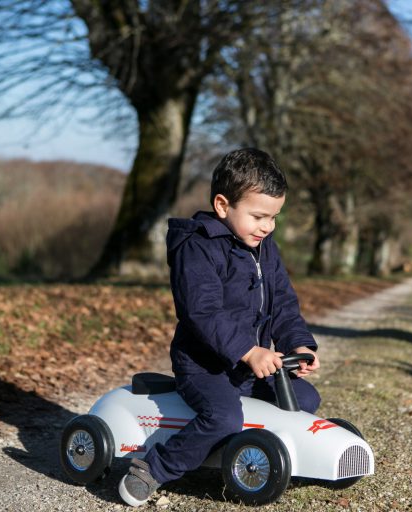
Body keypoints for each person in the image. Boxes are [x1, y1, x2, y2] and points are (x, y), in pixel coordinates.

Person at [119, 148, 321, 507]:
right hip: (204, 366)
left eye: (274, 217)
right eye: (259, 216)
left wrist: (299, 345)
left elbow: (283, 303)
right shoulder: (197, 248)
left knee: (304, 399)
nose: (268, 226)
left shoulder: (263, 247)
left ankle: (255, 457)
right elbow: (203, 313)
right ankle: (153, 468)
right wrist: (248, 349)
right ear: (223, 205)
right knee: (224, 416)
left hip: (248, 366)